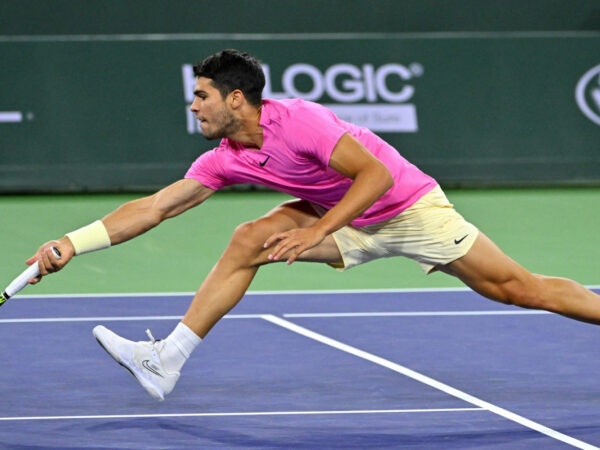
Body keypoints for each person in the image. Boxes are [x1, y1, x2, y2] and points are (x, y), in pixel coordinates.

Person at [30, 49, 600, 401]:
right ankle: (167, 360)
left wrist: (317, 230)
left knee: (519, 290)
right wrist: (72, 244)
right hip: (339, 216)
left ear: (236, 98)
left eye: (201, 96)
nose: (193, 106)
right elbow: (157, 206)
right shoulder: (226, 154)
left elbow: (374, 176)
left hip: (407, 207)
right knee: (248, 239)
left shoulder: (299, 121)